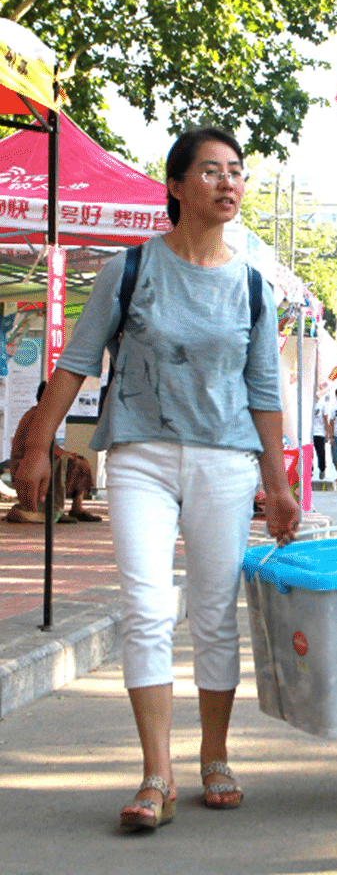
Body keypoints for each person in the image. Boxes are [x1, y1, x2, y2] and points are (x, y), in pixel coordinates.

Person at [15, 126, 298, 830]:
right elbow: (77, 361)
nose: (227, 183)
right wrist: (38, 446)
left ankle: (215, 755)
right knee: (145, 610)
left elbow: (264, 391)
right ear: (175, 186)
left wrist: (280, 482)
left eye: (236, 172)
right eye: (210, 171)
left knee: (212, 615)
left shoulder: (255, 288)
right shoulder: (131, 269)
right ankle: (156, 775)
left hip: (225, 464)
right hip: (140, 454)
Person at [4, 381, 98, 524]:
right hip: (26, 467)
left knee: (80, 461)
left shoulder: (41, 415)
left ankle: (77, 507)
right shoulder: (36, 416)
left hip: (37, 460)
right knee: (75, 463)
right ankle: (55, 509)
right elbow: (42, 448)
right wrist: (69, 456)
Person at [311, 393, 329, 480]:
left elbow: (326, 419)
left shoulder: (322, 405)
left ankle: (322, 469)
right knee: (308, 452)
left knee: (321, 452)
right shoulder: (307, 404)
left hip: (319, 432)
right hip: (309, 433)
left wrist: (327, 433)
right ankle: (310, 469)